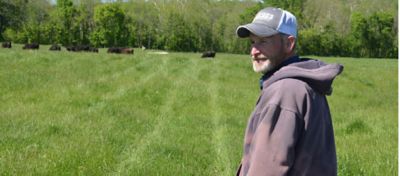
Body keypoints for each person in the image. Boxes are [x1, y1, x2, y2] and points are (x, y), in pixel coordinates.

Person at [235, 7, 343, 176]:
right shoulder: (304, 84)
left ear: (289, 43)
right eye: (252, 42)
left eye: (263, 41)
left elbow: (267, 170)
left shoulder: (285, 92)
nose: (254, 51)